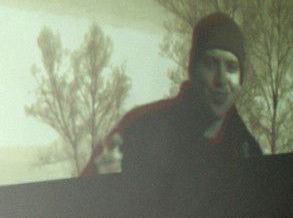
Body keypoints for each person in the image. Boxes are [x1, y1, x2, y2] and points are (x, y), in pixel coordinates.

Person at [83, 12, 262, 178]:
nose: (221, 79)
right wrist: (101, 183)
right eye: (211, 63)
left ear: (241, 80)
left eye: (231, 67)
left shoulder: (249, 152)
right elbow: (82, 194)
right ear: (192, 70)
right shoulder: (139, 129)